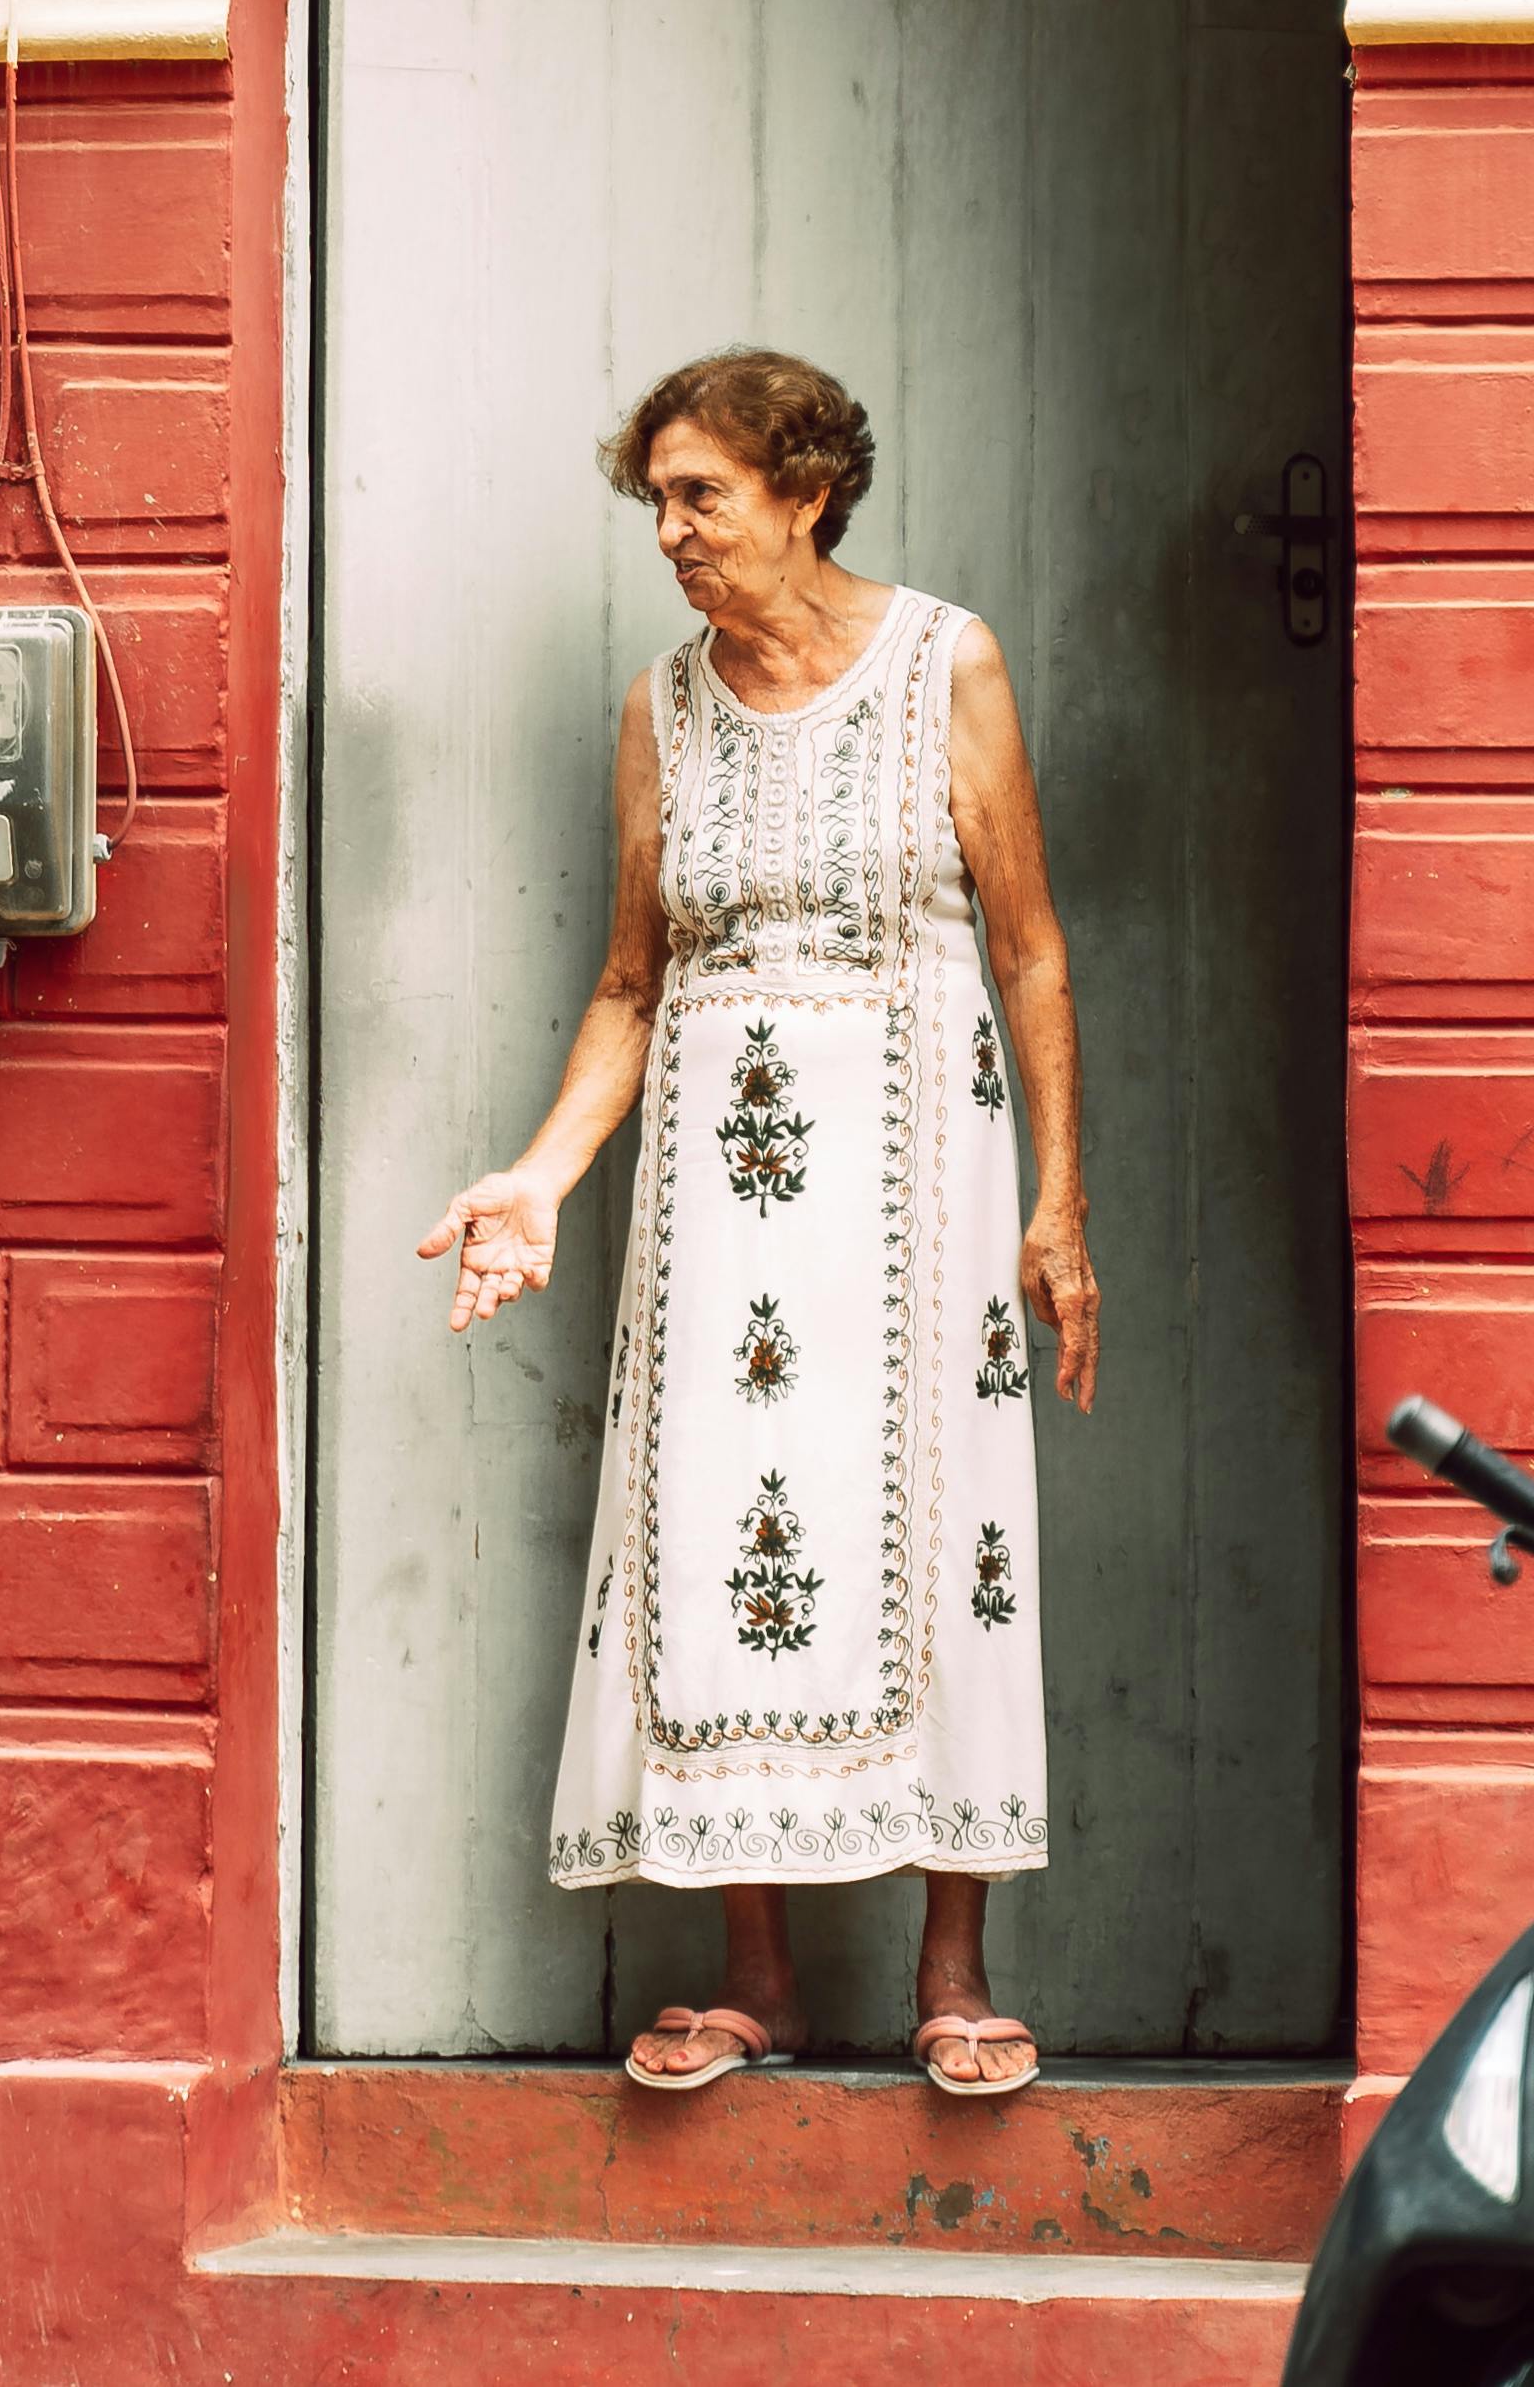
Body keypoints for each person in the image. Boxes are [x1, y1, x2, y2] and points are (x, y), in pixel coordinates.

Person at [419, 348, 1099, 2097]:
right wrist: (541, 1175)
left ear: (805, 491)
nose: (668, 531)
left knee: (946, 1520)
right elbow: (632, 983)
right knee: (713, 1524)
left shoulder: (947, 660)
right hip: (719, 1210)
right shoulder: (659, 706)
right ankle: (756, 1976)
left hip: (922, 1188)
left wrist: (1060, 1200)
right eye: (654, 497)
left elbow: (1026, 943)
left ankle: (954, 1969)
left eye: (698, 494)